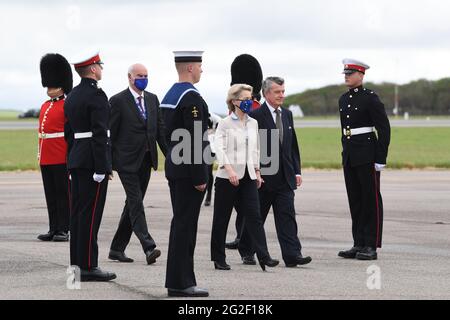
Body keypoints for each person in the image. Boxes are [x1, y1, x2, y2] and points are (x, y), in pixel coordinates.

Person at [239, 77, 312, 268]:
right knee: (257, 217)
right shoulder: (255, 116)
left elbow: (292, 146)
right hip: (263, 177)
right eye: (277, 92)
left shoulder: (287, 114)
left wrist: (297, 171)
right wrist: (255, 172)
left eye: (283, 91)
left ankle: (292, 255)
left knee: (287, 217)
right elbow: (250, 147)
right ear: (266, 94)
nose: (282, 95)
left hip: (285, 177)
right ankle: (246, 249)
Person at [210, 84, 279, 271]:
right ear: (234, 101)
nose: (249, 102)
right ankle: (218, 257)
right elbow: (219, 149)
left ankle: (264, 256)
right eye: (245, 99)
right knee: (221, 218)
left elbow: (255, 149)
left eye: (251, 99)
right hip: (227, 178)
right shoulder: (225, 123)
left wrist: (257, 171)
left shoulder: (253, 123)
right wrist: (230, 170)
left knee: (254, 216)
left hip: (248, 176)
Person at [160, 51, 210, 297]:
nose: (202, 70)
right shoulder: (190, 98)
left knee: (180, 223)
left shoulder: (170, 94)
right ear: (190, 67)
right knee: (185, 226)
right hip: (189, 173)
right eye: (200, 66)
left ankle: (178, 281)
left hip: (175, 167)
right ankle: (182, 283)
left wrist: (171, 156)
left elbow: (161, 133)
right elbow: (195, 140)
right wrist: (200, 176)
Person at [64, 52, 116, 282]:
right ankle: (87, 266)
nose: (101, 69)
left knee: (77, 214)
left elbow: (69, 134)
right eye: (99, 65)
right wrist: (103, 166)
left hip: (77, 159)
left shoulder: (73, 95)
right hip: (91, 162)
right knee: (90, 215)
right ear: (93, 69)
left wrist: (71, 160)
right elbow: (100, 134)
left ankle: (76, 264)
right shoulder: (96, 95)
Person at [108, 64, 167, 264]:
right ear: (129, 77)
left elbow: (159, 130)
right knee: (136, 202)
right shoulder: (117, 101)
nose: (143, 78)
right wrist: (107, 164)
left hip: (146, 160)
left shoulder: (152, 99)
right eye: (139, 76)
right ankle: (148, 246)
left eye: (146, 75)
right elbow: (111, 134)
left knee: (132, 204)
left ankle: (116, 249)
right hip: (126, 162)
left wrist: (172, 157)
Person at [337, 59, 391, 260]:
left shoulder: (370, 98)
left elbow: (383, 128)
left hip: (368, 155)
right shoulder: (343, 99)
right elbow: (346, 131)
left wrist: (380, 157)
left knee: (371, 200)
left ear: (361, 75)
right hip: (350, 155)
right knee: (356, 200)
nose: (346, 76)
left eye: (350, 73)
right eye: (345, 73)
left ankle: (371, 245)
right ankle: (358, 242)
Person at [225, 54, 264, 251]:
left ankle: (245, 240)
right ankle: (241, 235)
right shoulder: (240, 107)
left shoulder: (253, 108)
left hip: (251, 162)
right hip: (238, 163)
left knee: (248, 205)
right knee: (241, 204)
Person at [37, 53, 72, 242]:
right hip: (46, 155)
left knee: (62, 194)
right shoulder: (45, 106)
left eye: (53, 85)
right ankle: (53, 227)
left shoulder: (67, 105)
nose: (50, 89)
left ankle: (64, 229)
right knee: (50, 194)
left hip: (60, 154)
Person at [204, 112, 221, 207]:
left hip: (212, 146)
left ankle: (209, 195)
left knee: (208, 171)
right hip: (202, 146)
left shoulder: (216, 119)